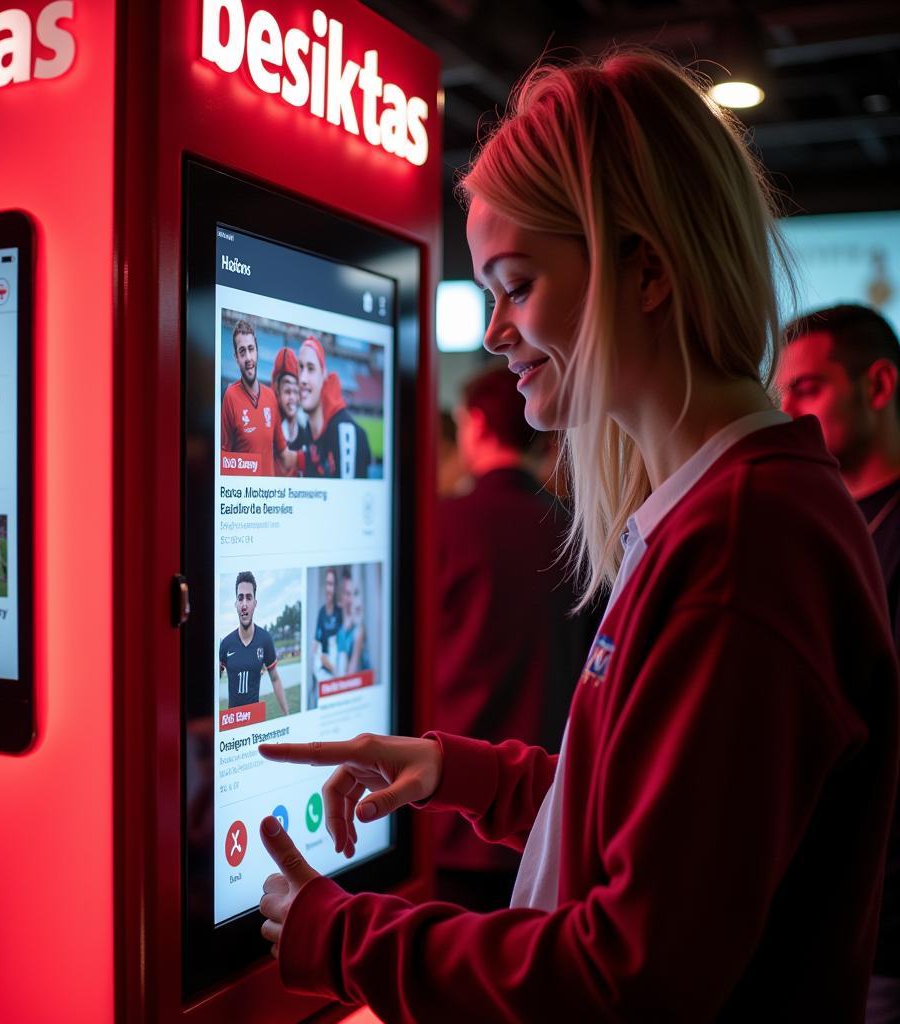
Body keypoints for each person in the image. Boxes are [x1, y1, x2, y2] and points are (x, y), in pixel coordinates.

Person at [252, 50, 900, 1021]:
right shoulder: (719, 506)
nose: (497, 330)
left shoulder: (740, 544)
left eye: (515, 285)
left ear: (644, 268)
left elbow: (632, 974)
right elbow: (665, 821)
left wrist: (339, 930)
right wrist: (461, 770)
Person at [434, 365, 600, 912]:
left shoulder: (443, 524)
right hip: (549, 813)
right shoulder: (576, 530)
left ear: (476, 424)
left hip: (449, 809)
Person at [777, 304, 900, 1021]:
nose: (789, 412)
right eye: (784, 392)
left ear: (878, 386)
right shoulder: (828, 522)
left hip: (885, 928)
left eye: (809, 390)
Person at [220, 319, 295, 476]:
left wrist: (307, 458)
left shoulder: (270, 397)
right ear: (236, 358)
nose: (248, 357)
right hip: (246, 497)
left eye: (251, 349)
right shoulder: (230, 396)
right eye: (242, 352)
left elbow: (284, 453)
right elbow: (223, 459)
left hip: (269, 497)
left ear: (257, 351)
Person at [297, 336, 372, 479]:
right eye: (300, 368)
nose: (302, 379)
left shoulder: (345, 431)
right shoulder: (307, 430)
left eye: (311, 369)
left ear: (323, 377)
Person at [218, 571, 290, 717]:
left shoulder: (265, 639)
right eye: (240, 598)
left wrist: (287, 717)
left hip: (255, 722)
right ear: (236, 604)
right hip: (232, 722)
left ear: (255, 603)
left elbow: (275, 679)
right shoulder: (225, 644)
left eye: (249, 598)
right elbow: (213, 683)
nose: (244, 604)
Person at [310, 567, 343, 708]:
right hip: (324, 669)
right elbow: (315, 646)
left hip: (337, 669)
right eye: (327, 584)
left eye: (332, 584)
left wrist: (335, 669)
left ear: (336, 588)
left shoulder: (341, 613)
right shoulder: (321, 613)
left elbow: (343, 648)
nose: (329, 588)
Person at [272, 346, 310, 454]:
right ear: (277, 390)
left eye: (296, 391)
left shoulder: (305, 435)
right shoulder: (269, 432)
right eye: (287, 391)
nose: (292, 398)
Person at [334, 570, 369, 674]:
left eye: (355, 593)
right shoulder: (340, 632)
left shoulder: (359, 630)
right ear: (339, 601)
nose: (352, 598)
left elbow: (350, 673)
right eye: (347, 593)